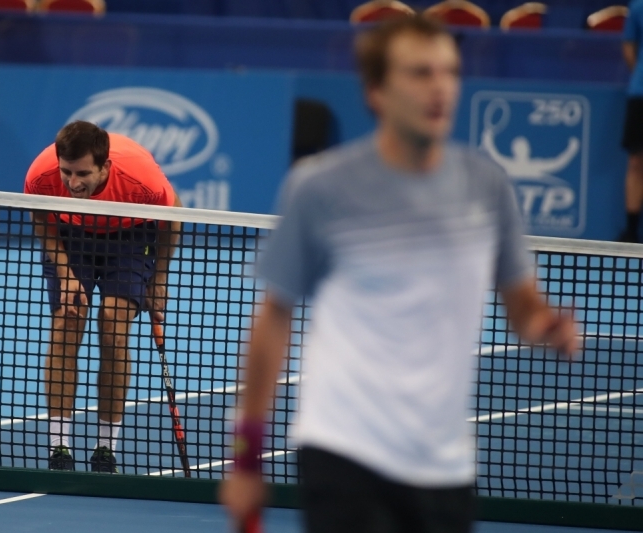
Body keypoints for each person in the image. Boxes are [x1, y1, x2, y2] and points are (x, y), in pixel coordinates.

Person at [220, 15, 577, 533]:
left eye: (449, 72)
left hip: (444, 466)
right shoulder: (320, 187)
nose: (440, 88)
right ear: (377, 92)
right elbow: (274, 318)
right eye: (420, 73)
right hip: (344, 449)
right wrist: (247, 457)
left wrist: (546, 325)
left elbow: (522, 305)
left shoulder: (486, 187)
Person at [24, 121, 181, 473]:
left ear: (105, 167)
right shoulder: (41, 175)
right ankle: (59, 447)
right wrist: (66, 275)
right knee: (67, 322)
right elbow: (42, 221)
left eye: (83, 173)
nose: (73, 182)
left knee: (113, 324)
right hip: (71, 234)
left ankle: (106, 447)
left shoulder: (141, 180)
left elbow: (173, 220)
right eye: (67, 172)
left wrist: (158, 279)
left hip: (129, 236)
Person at [619, 0, 643, 242]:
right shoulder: (638, 7)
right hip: (640, 95)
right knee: (636, 161)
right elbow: (628, 47)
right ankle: (632, 231)